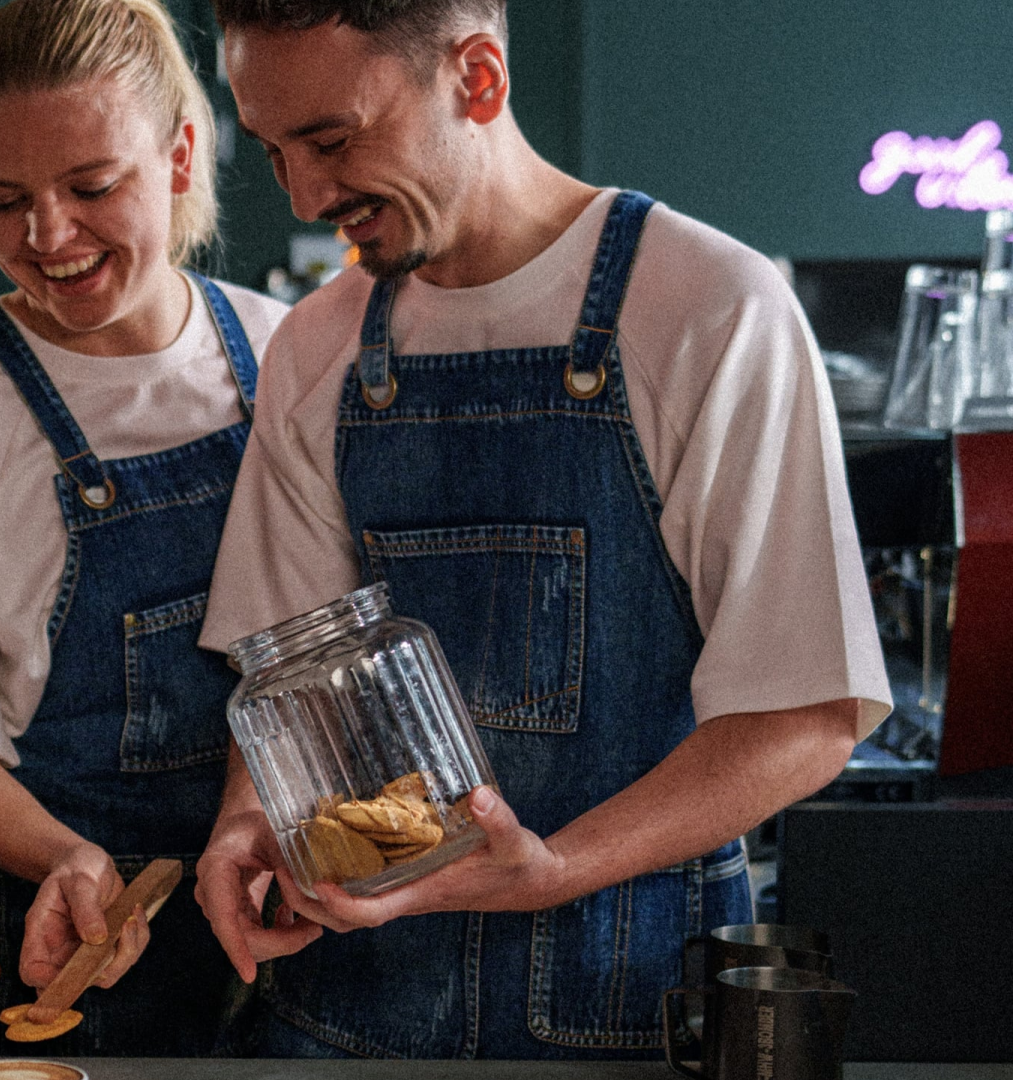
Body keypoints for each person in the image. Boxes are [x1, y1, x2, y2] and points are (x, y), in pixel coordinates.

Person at [192, 0, 890, 1060]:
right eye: (276, 151)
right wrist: (252, 820)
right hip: (346, 1018)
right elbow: (281, 676)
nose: (307, 193)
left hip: (630, 1016)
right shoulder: (315, 350)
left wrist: (553, 868)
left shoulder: (709, 310)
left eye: (332, 140)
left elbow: (803, 717)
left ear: (477, 78)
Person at [0, 0, 289, 1056]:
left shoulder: (286, 359)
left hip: (285, 936)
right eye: (3, 201)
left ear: (181, 154)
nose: (48, 237)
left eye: (92, 188)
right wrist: (66, 858)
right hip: (57, 941)